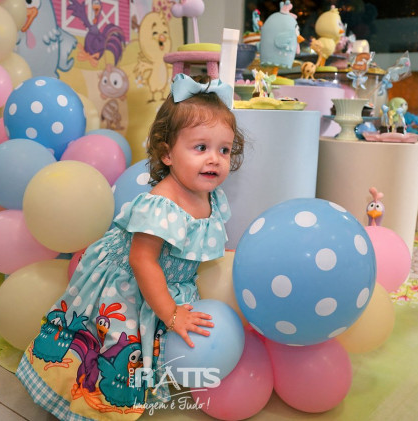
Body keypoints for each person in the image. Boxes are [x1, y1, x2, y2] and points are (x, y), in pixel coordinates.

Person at [15, 73, 245, 421]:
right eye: (201, 148)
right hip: (126, 285)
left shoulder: (210, 197)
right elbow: (142, 261)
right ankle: (91, 406)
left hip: (164, 282)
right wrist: (171, 313)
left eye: (224, 150)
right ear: (167, 153)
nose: (215, 159)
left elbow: (199, 244)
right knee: (114, 349)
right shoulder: (162, 204)